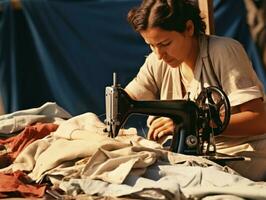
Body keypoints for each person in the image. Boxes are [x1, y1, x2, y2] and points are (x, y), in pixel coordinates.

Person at [124, 0, 266, 181]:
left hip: (242, 154)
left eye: (165, 43)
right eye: (151, 45)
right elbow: (129, 97)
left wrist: (195, 123)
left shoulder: (223, 51)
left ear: (189, 28)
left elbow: (259, 119)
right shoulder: (157, 61)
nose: (159, 54)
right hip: (198, 157)